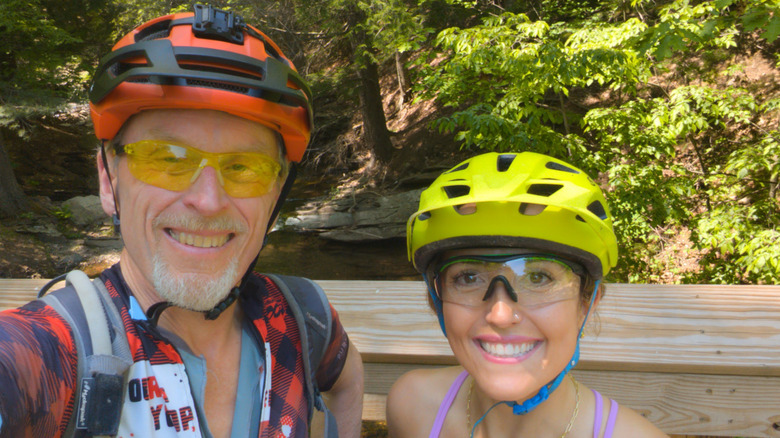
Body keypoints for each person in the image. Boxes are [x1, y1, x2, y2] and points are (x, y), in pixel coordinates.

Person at [0, 4, 363, 438]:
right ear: (108, 178)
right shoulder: (49, 351)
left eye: (245, 167)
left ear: (276, 193)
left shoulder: (303, 319)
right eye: (167, 158)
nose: (208, 201)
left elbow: (346, 378)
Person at [387, 151, 668, 437]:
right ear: (437, 301)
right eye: (468, 277)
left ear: (587, 303)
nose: (500, 314)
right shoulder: (413, 407)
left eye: (537, 277)